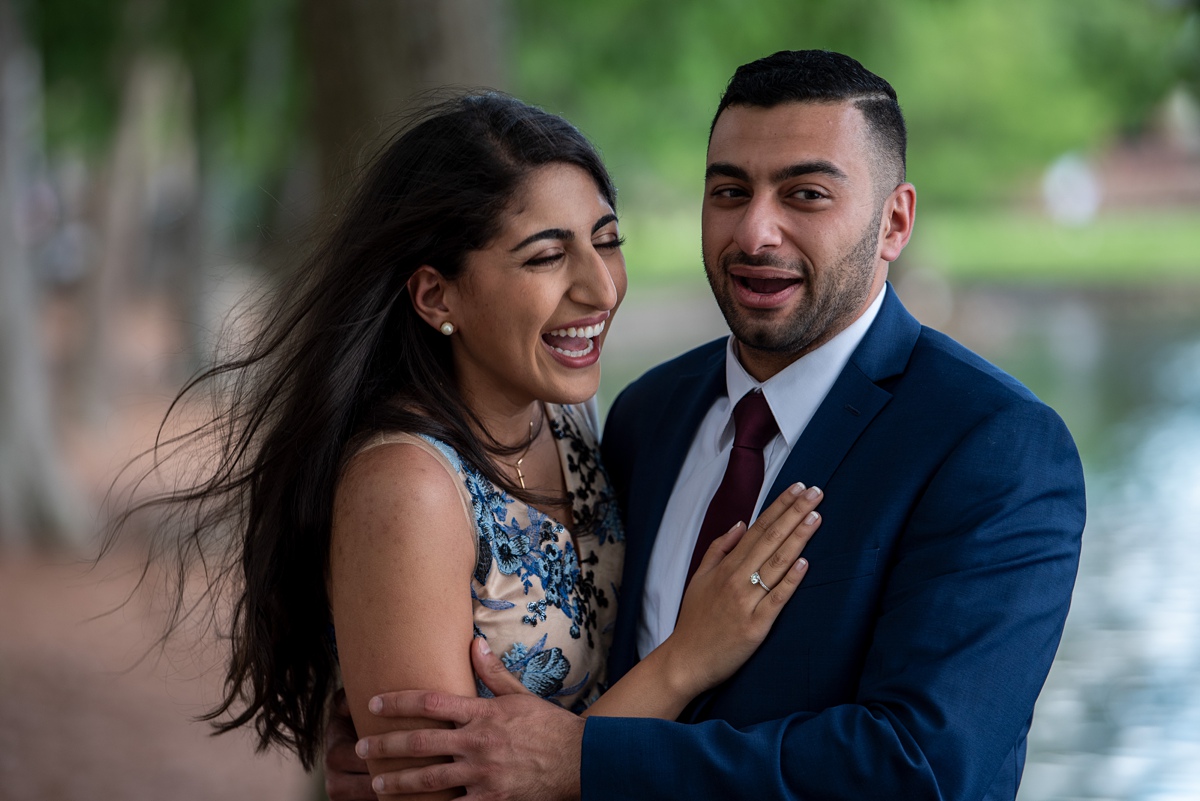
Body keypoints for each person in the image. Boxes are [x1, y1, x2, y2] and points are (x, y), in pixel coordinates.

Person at [327, 50, 1087, 800]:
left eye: (806, 195)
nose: (756, 231)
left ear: (894, 222)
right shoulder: (646, 413)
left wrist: (582, 760)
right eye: (729, 190)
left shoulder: (994, 444)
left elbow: (921, 770)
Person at [115, 92, 831, 800]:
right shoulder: (408, 486)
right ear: (435, 297)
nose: (600, 286)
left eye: (607, 241)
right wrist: (685, 661)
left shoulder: (565, 418)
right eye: (546, 257)